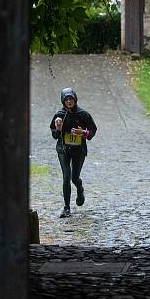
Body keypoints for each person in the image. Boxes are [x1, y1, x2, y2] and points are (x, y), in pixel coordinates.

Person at [49, 87, 97, 218]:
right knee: (66, 177)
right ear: (63, 101)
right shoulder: (59, 115)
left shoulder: (83, 114)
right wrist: (58, 128)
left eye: (71, 99)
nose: (69, 102)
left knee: (75, 178)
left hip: (78, 150)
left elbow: (93, 131)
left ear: (75, 99)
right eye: (66, 100)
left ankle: (80, 190)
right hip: (63, 150)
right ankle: (66, 208)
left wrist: (83, 133)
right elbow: (54, 135)